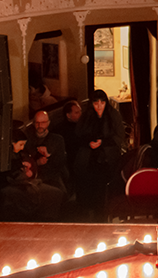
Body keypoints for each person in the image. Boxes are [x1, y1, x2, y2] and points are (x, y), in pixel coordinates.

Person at [73, 89, 126, 217]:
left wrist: (102, 143)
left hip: (107, 159)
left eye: (102, 103)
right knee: (89, 185)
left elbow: (120, 137)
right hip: (89, 159)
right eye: (96, 103)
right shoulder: (86, 117)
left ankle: (104, 212)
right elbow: (77, 136)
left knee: (104, 187)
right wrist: (89, 143)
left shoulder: (113, 115)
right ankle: (89, 211)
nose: (99, 106)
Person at [0, 131, 65, 221]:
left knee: (56, 192)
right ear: (12, 143)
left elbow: (31, 162)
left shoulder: (22, 153)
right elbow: (9, 174)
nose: (22, 147)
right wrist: (23, 172)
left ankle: (49, 220)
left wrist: (31, 166)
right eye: (20, 144)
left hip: (27, 182)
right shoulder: (5, 156)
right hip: (17, 184)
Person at [26, 110, 68, 193]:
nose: (40, 125)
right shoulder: (29, 140)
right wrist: (37, 163)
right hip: (33, 177)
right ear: (34, 124)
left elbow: (60, 162)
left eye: (43, 122)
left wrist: (48, 155)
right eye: (37, 122)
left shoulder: (57, 139)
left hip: (52, 177)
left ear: (48, 123)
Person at [52, 100, 82, 176]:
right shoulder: (60, 130)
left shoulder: (82, 125)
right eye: (76, 112)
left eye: (80, 111)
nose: (80, 114)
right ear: (68, 115)